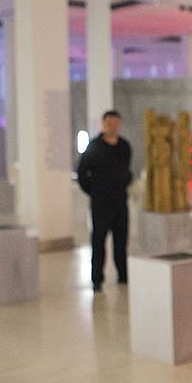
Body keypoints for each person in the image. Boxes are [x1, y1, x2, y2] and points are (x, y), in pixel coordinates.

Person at [76, 110, 133, 292]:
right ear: (103, 124)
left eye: (115, 123)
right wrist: (94, 191)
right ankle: (97, 279)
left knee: (121, 240)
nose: (112, 127)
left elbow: (127, 170)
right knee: (99, 240)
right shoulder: (94, 147)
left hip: (120, 201)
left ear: (119, 124)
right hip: (101, 202)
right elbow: (82, 173)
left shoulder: (124, 146)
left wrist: (126, 180)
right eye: (109, 123)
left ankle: (123, 275)